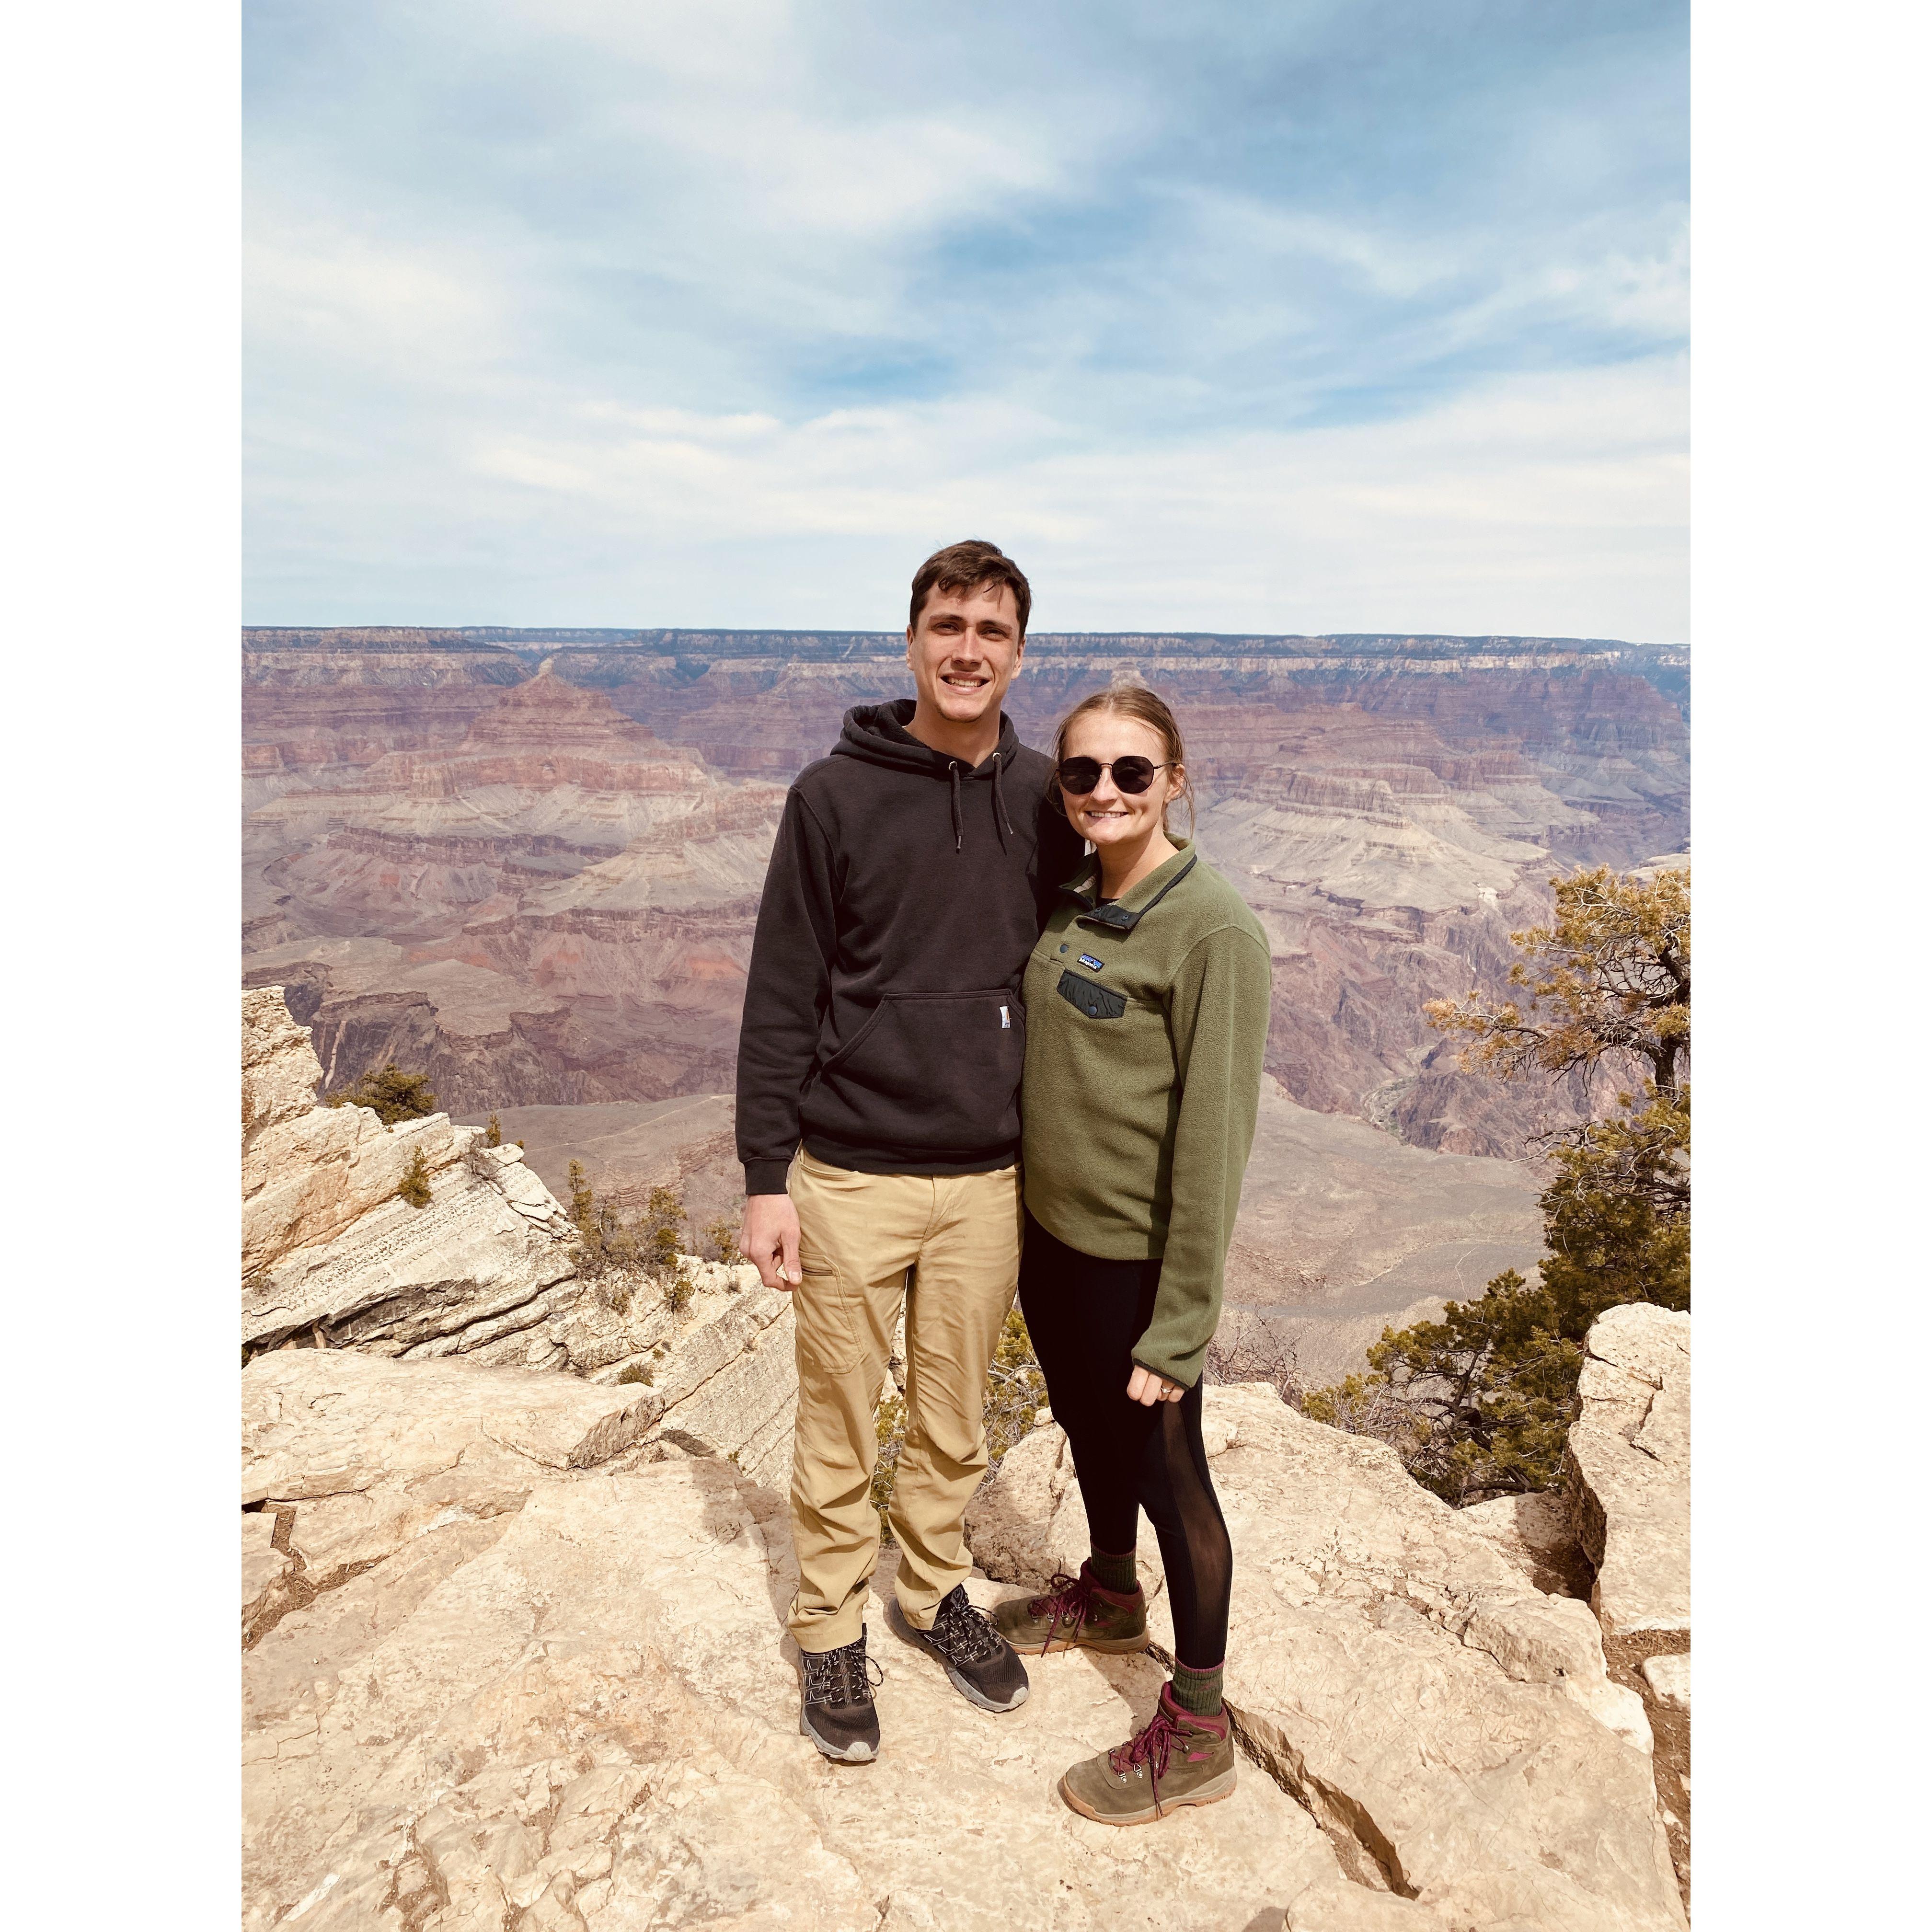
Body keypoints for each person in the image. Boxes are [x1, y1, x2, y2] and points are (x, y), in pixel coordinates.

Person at [736, 539, 1087, 1764]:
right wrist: (764, 1177)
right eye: (949, 626)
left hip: (990, 1176)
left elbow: (1091, 958)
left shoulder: (1047, 796)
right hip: (849, 1172)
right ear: (911, 640)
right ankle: (830, 1626)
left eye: (992, 632)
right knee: (838, 1420)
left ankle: (931, 1588)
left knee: (953, 1419)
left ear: (1019, 653)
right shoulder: (831, 798)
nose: (968, 651)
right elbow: (782, 989)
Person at [992, 684, 1271, 1826]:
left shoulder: (1212, 929)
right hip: (1053, 1244)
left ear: (1176, 781)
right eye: (1083, 773)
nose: (1104, 791)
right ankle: (1110, 1596)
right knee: (1084, 1430)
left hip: (1139, 1267)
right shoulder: (1072, 897)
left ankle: (1199, 1726)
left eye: (1131, 773)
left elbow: (1213, 1143)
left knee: (1172, 1477)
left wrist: (1182, 1321)